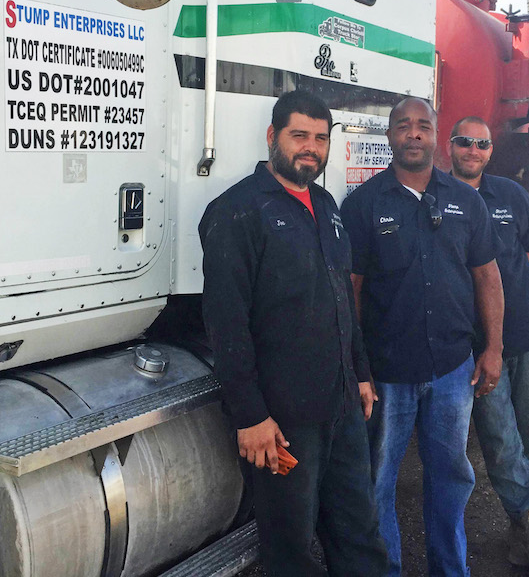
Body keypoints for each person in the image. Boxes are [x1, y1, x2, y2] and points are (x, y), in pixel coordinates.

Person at [199, 90, 387, 577]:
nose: (311, 148)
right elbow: (225, 323)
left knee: (360, 537)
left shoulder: (326, 205)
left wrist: (361, 373)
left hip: (342, 409)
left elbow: (342, 297)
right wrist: (251, 415)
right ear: (272, 137)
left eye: (320, 138)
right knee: (291, 552)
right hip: (284, 422)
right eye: (299, 135)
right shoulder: (237, 211)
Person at [341, 97, 504, 577]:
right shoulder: (363, 204)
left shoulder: (465, 201)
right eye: (403, 126)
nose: (414, 133)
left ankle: (450, 571)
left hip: (453, 369)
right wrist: (358, 366)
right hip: (388, 373)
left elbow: (487, 277)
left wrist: (492, 348)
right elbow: (349, 291)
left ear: (436, 137)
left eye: (423, 126)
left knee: (451, 478)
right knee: (378, 482)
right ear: (389, 136)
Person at [448, 116, 529, 577]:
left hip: (527, 335)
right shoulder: (439, 198)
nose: (472, 150)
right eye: (464, 142)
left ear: (490, 151)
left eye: (481, 143)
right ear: (450, 146)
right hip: (476, 345)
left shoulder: (512, 196)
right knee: (499, 439)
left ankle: (519, 527)